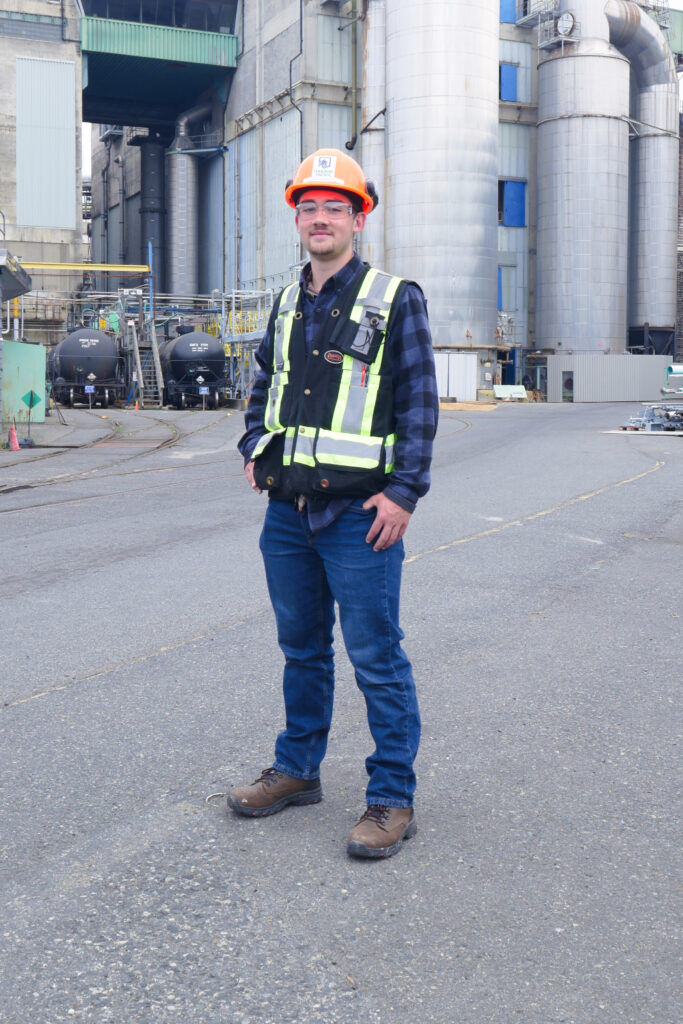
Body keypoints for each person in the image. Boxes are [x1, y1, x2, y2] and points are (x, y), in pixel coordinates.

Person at [230, 148, 439, 859]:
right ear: (296, 217)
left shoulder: (392, 296)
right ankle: (297, 771)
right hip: (287, 513)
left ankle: (390, 798)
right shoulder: (287, 299)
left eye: (335, 208)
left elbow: (418, 403)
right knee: (301, 651)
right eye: (309, 208)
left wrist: (404, 491)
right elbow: (265, 382)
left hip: (361, 515)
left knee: (376, 657)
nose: (320, 219)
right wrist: (257, 449)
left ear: (357, 218)